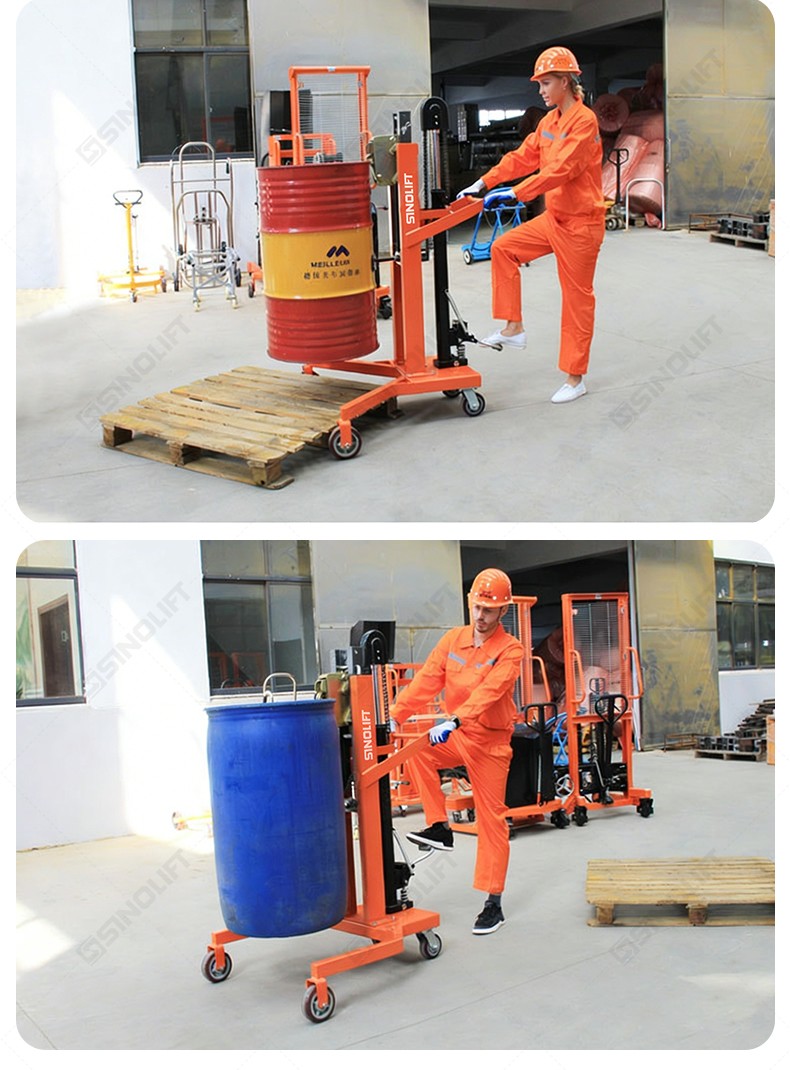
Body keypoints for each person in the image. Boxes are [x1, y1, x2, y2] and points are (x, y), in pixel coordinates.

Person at [458, 46, 606, 404]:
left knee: (576, 301)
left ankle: (575, 378)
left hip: (582, 225)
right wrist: (484, 182)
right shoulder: (549, 122)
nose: (540, 90)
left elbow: (561, 170)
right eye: (539, 83)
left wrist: (516, 193)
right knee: (503, 248)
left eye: (546, 82)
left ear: (566, 82)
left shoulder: (584, 121)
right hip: (554, 219)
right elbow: (523, 157)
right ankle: (514, 327)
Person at [390, 568, 523, 935]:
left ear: (503, 611)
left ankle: (493, 903)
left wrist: (455, 719)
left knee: (492, 820)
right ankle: (439, 826)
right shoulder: (453, 640)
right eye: (477, 607)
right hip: (459, 733)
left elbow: (490, 692)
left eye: (489, 610)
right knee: (416, 749)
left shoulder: (510, 650)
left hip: (490, 742)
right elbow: (426, 681)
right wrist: (395, 714)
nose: (481, 616)